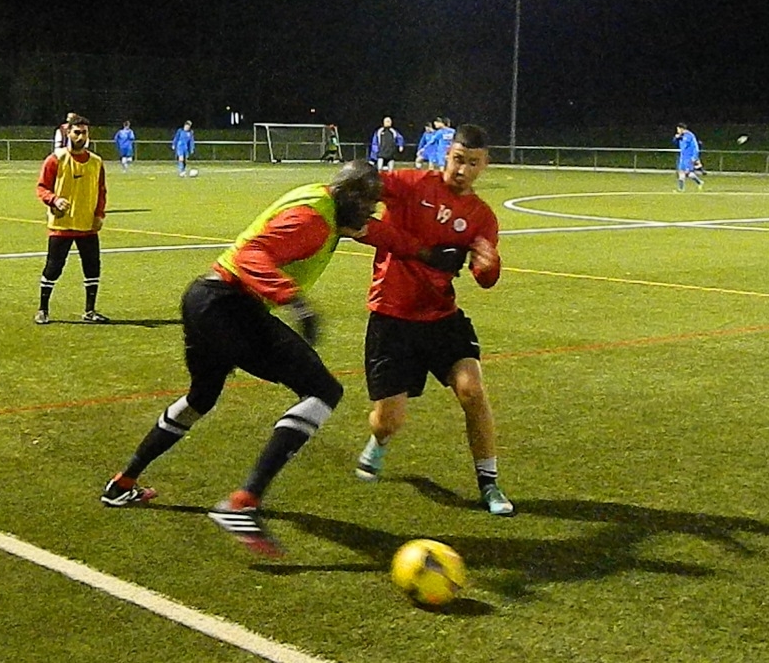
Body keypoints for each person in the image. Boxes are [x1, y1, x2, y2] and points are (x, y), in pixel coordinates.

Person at [99, 160, 452, 556]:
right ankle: (242, 503)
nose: (372, 213)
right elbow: (252, 254)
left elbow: (378, 233)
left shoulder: (330, 205)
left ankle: (122, 483)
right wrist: (296, 302)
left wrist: (426, 253)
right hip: (228, 306)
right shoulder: (313, 221)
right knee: (322, 390)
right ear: (352, 199)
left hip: (204, 300)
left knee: (201, 398)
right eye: (369, 204)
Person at [354, 123, 515, 517]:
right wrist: (361, 182)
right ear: (447, 154)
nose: (462, 170)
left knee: (472, 391)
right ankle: (379, 441)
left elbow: (484, 278)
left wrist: (489, 265)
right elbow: (361, 188)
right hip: (391, 317)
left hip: (442, 317)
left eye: (472, 163)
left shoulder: (482, 216)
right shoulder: (411, 185)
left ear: (485, 165)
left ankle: (489, 483)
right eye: (458, 160)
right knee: (388, 421)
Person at [34, 114, 112, 325]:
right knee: (54, 268)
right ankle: (43, 309)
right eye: (77, 132)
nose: (81, 137)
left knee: (92, 268)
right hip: (62, 225)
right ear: (68, 133)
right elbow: (42, 188)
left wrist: (99, 214)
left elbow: (101, 191)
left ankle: (90, 311)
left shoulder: (96, 162)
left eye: (84, 133)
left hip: (88, 225)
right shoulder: (55, 159)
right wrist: (54, 200)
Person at [673, 123, 704, 191]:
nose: (677, 131)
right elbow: (675, 143)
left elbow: (696, 147)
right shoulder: (681, 136)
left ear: (682, 129)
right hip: (683, 156)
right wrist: (676, 138)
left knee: (686, 172)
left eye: (678, 129)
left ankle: (681, 189)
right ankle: (699, 182)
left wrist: (694, 157)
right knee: (683, 172)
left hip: (689, 157)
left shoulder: (690, 136)